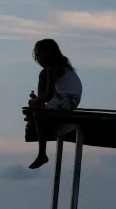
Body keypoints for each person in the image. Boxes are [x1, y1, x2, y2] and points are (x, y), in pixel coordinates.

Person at [27, 38, 82, 169]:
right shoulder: (55, 68)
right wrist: (38, 100)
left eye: (38, 55)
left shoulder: (53, 68)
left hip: (66, 100)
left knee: (38, 114)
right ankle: (41, 151)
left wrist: (35, 102)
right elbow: (47, 95)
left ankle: (42, 154)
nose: (37, 59)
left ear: (47, 54)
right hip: (68, 101)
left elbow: (47, 96)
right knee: (38, 110)